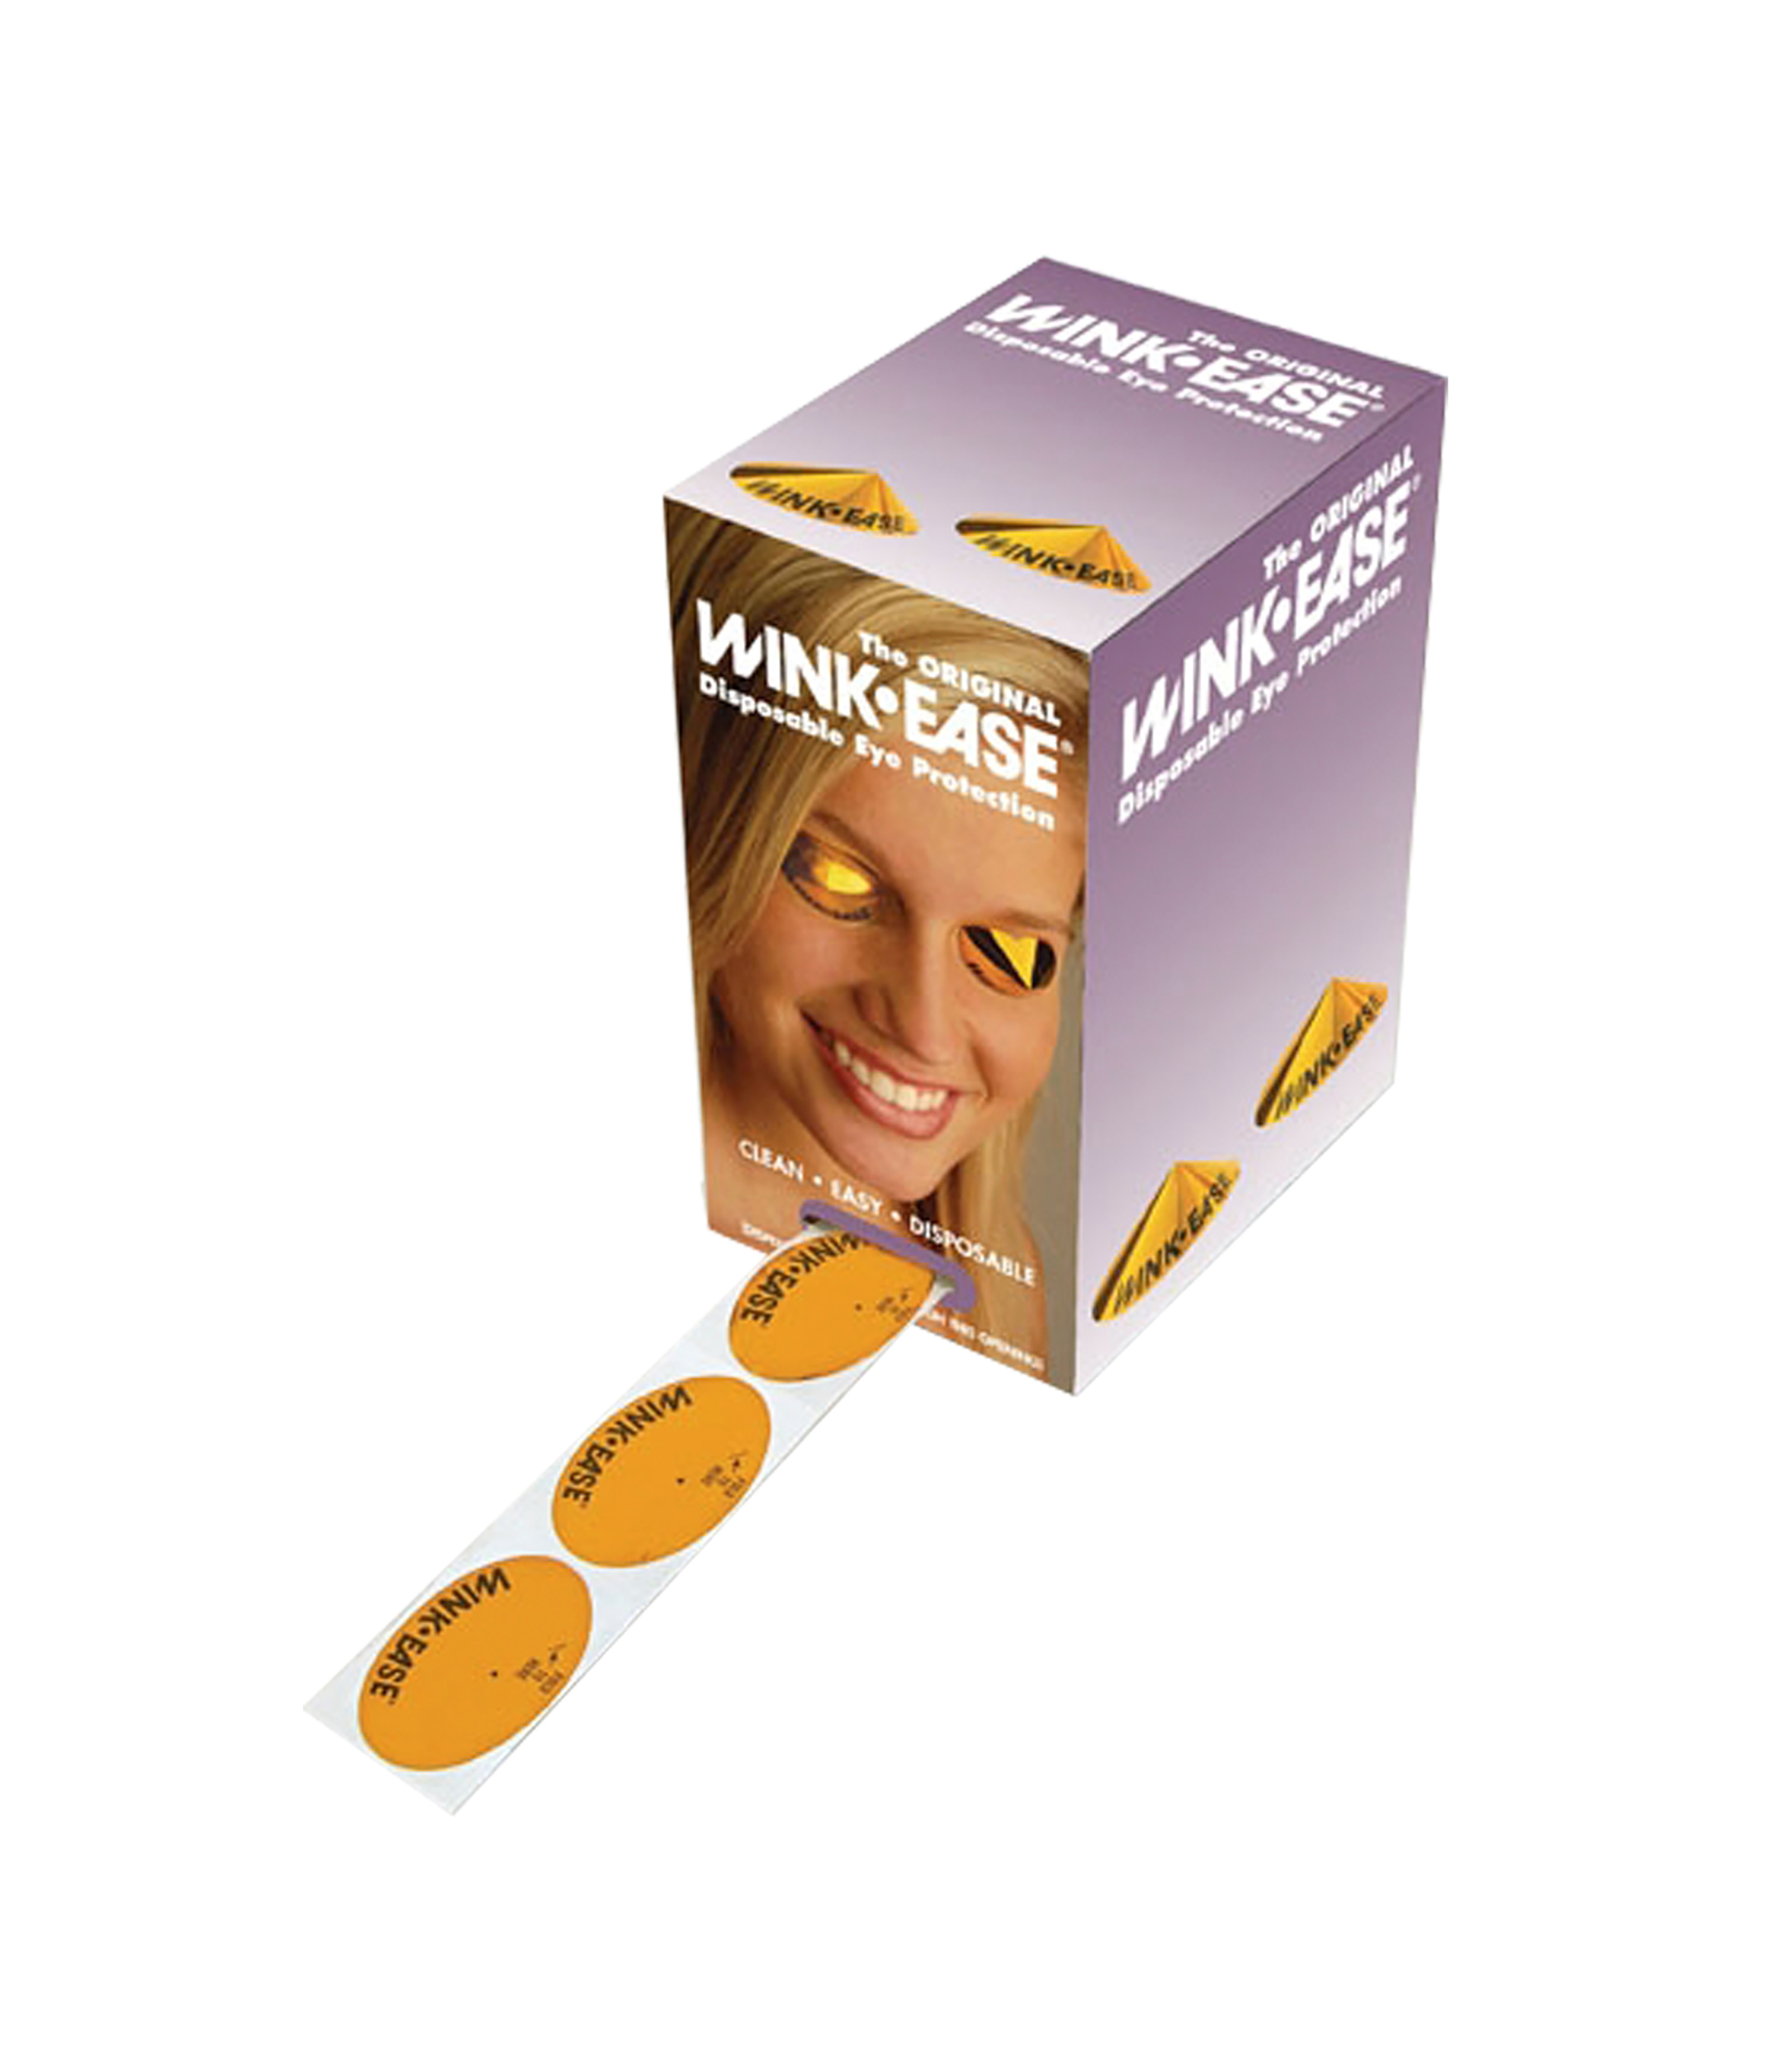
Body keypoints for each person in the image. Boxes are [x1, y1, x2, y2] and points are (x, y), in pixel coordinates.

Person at [669, 513, 1089, 1366]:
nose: (923, 1028)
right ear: (714, 825)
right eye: (837, 881)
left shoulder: (1001, 1286)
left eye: (1011, 955)